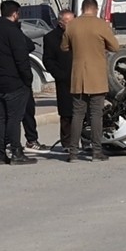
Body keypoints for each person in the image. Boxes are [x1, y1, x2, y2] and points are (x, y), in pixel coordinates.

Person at [62, 0, 120, 162]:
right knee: (96, 115)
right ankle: (96, 151)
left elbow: (64, 47)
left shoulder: (72, 25)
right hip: (96, 76)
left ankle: (73, 153)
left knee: (77, 115)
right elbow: (115, 47)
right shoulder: (101, 25)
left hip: (78, 76)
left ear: (82, 8)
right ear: (95, 9)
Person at [0, 0, 37, 165]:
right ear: (15, 14)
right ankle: (16, 151)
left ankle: (0, 153)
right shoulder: (12, 32)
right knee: (14, 118)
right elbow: (22, 58)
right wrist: (27, 79)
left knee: (1, 117)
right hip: (14, 81)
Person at [42, 9, 76, 149]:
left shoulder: (78, 35)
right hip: (64, 79)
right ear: (60, 23)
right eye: (68, 22)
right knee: (66, 113)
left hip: (80, 77)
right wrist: (60, 75)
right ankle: (67, 143)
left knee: (83, 111)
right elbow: (48, 60)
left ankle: (85, 140)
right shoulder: (51, 38)